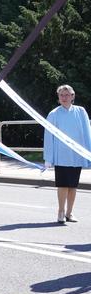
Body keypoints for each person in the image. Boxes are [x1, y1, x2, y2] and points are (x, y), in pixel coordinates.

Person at [44, 84, 91, 223]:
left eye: (67, 94)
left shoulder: (81, 111)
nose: (64, 97)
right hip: (61, 156)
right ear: (58, 97)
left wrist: (87, 152)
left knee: (73, 185)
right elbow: (48, 136)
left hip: (76, 155)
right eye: (61, 95)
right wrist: (48, 157)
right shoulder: (53, 114)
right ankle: (61, 211)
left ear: (72, 96)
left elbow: (87, 132)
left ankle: (69, 213)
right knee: (63, 185)